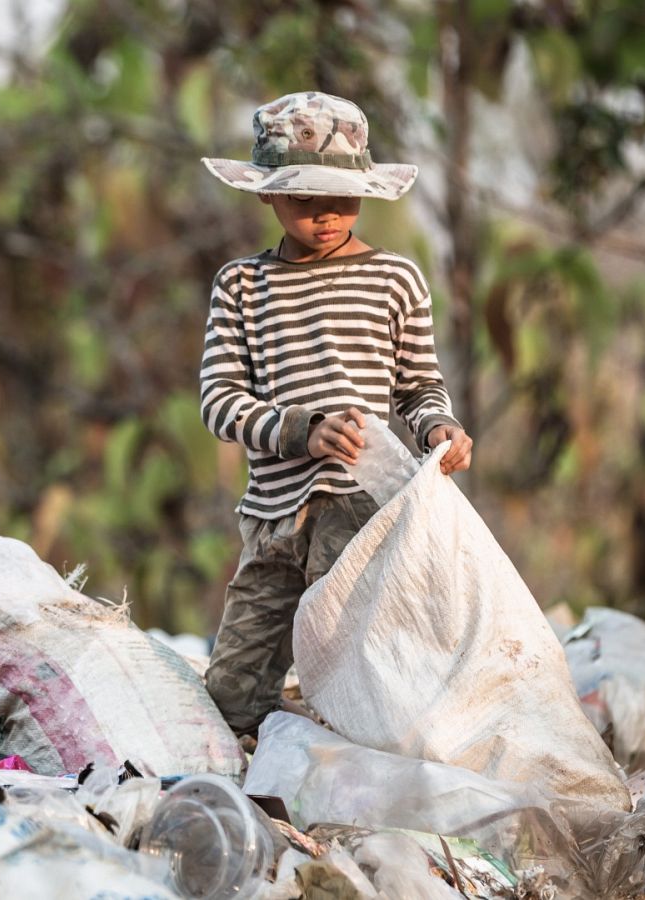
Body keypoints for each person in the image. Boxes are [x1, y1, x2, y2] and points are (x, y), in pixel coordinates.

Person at [198, 91, 474, 736]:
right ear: (268, 196)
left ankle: (365, 800)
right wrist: (302, 431)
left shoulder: (396, 279)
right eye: (304, 201)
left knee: (356, 679)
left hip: (361, 508)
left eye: (341, 200)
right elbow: (220, 400)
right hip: (271, 515)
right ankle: (272, 798)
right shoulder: (242, 285)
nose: (325, 216)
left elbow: (418, 385)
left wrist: (440, 426)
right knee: (232, 696)